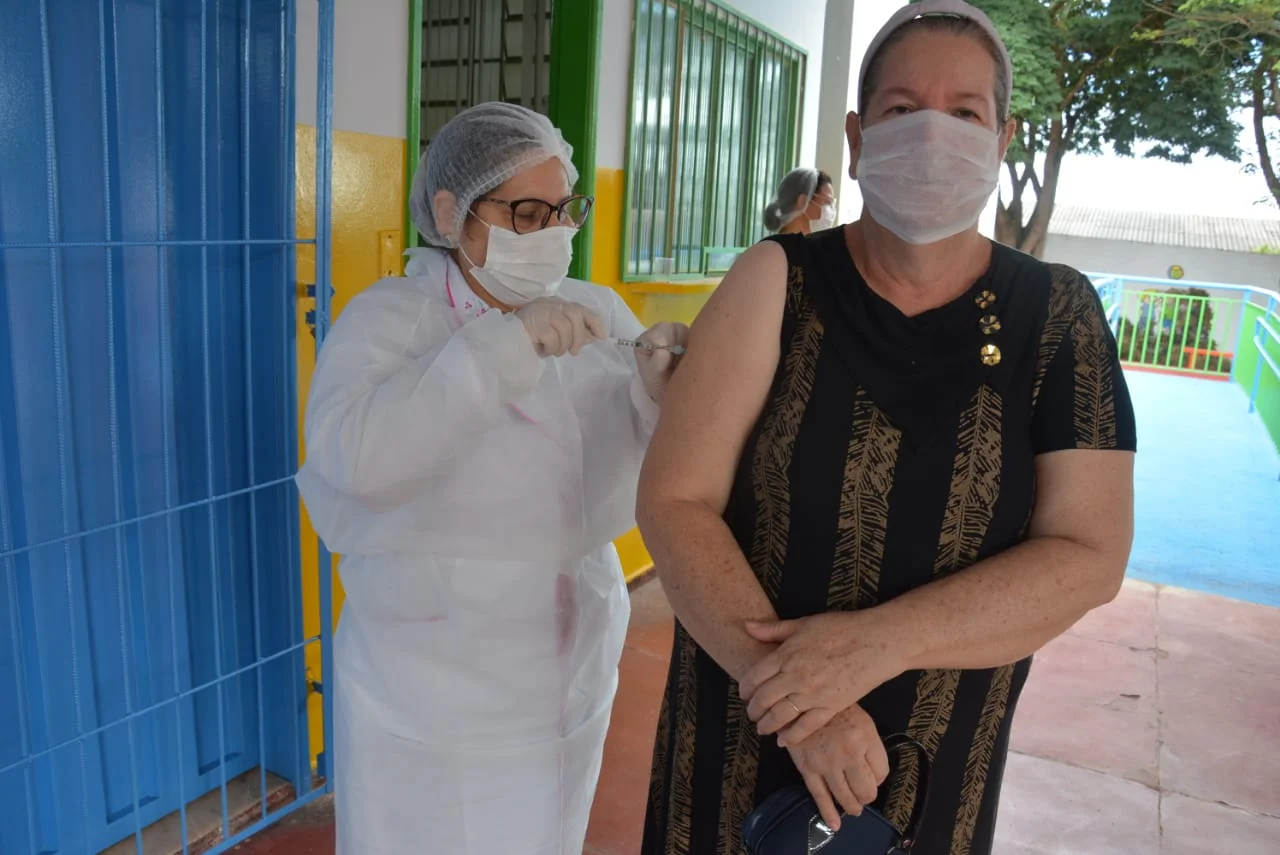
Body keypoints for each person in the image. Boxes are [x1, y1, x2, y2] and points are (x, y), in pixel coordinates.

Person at [637, 2, 1136, 854]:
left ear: (1001, 137)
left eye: (965, 112)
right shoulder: (775, 282)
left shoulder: (1059, 318)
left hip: (936, 770)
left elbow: (1090, 554)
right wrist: (807, 702)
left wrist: (872, 647)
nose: (934, 134)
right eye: (903, 110)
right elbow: (675, 501)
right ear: (858, 136)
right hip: (736, 740)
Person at [295, 101, 688, 855]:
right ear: (451, 211)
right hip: (433, 696)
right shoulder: (392, 319)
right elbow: (355, 460)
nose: (556, 233)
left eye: (565, 209)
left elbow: (628, 457)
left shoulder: (592, 309)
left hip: (568, 678)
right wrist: (498, 353)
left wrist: (653, 393)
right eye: (528, 212)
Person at [763, 167, 836, 235]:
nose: (832, 212)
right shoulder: (773, 247)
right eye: (827, 202)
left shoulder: (811, 247)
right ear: (803, 202)